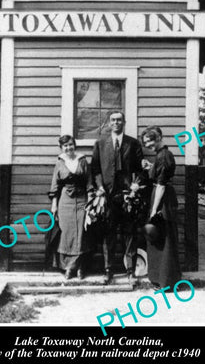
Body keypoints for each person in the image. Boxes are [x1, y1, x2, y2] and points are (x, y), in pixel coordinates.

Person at [91, 111, 144, 285]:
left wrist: (136, 184)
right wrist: (99, 187)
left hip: (128, 196)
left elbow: (141, 169)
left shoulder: (133, 143)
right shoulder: (100, 143)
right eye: (113, 120)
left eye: (119, 120)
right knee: (109, 234)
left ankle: (130, 272)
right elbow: (95, 170)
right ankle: (108, 271)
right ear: (108, 123)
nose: (116, 122)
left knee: (130, 233)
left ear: (124, 122)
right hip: (108, 196)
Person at [48, 135, 94, 280]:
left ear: (75, 145)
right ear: (61, 148)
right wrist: (54, 205)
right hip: (65, 201)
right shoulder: (60, 162)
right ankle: (68, 268)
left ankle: (80, 268)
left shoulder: (82, 161)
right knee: (66, 234)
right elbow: (55, 186)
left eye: (70, 145)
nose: (69, 148)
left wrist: (91, 202)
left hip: (81, 200)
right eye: (65, 146)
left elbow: (89, 182)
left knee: (81, 233)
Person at [141, 126, 181, 289]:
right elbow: (160, 174)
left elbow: (161, 185)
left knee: (165, 239)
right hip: (160, 197)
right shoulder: (161, 155)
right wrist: (151, 167)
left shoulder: (164, 156)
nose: (147, 145)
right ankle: (162, 279)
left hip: (162, 199)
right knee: (160, 238)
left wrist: (153, 210)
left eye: (150, 141)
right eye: (145, 143)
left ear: (158, 138)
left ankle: (166, 281)